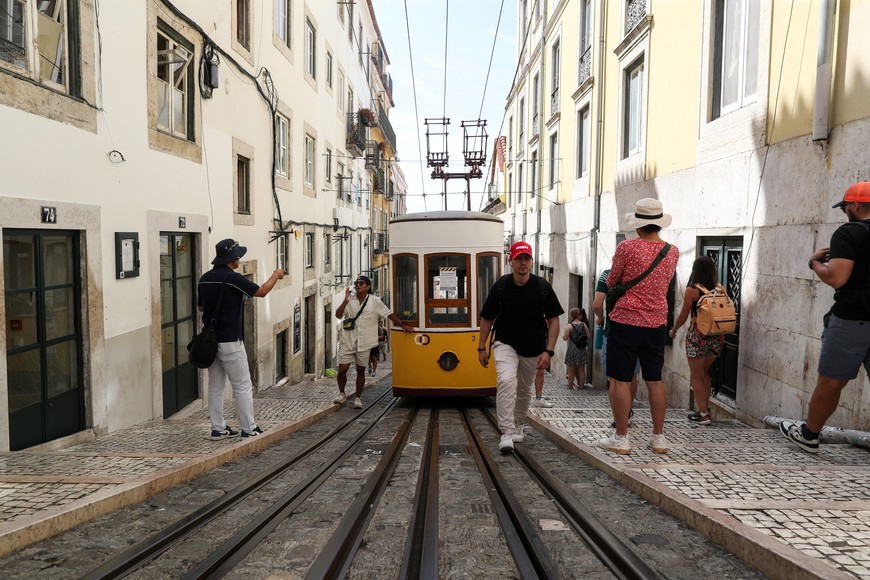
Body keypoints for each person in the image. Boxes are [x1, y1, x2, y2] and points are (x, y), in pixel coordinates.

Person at [781, 182, 870, 453]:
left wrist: (814, 262)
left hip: (852, 321)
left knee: (831, 383)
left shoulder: (848, 233)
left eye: (844, 207)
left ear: (854, 205)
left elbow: (837, 278)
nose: (845, 213)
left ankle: (809, 435)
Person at [599, 198, 679, 455]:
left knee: (622, 380)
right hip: (656, 322)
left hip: (626, 321)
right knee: (655, 380)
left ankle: (621, 439)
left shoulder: (626, 248)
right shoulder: (672, 251)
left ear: (639, 225)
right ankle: (658, 438)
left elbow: (612, 281)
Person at [478, 241, 564, 453]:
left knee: (524, 389)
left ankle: (518, 425)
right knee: (506, 381)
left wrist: (549, 350)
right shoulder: (501, 286)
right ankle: (506, 432)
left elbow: (554, 320)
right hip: (505, 342)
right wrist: (482, 347)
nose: (523, 263)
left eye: (526, 259)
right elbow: (487, 318)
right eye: (519, 259)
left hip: (534, 347)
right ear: (511, 261)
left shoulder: (542, 287)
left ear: (531, 261)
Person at [198, 238, 285, 440]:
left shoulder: (205, 278)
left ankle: (217, 429)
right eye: (238, 255)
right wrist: (275, 275)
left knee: (215, 386)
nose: (239, 258)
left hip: (210, 342)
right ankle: (249, 428)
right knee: (242, 385)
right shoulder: (233, 278)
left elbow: (201, 307)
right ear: (233, 258)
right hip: (230, 340)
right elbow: (262, 292)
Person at [336, 275, 413, 409]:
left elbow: (388, 314)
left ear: (368, 287)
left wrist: (402, 325)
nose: (357, 285)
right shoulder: (350, 301)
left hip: (365, 341)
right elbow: (338, 315)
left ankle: (358, 398)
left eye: (361, 283)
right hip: (348, 340)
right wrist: (345, 300)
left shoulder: (375, 301)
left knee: (361, 370)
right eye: (356, 283)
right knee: (342, 369)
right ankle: (342, 394)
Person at [669, 256, 724, 426]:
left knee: (696, 376)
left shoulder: (692, 290)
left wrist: (673, 329)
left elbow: (684, 315)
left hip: (698, 338)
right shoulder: (720, 288)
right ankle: (705, 409)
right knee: (705, 374)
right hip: (717, 338)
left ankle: (704, 414)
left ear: (695, 270)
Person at [592, 269, 639, 426]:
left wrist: (601, 317)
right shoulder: (640, 272)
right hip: (638, 329)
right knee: (632, 376)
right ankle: (628, 412)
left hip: (613, 330)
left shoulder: (607, 274)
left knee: (614, 377)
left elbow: (597, 304)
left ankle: (618, 418)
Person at [562, 307, 592, 389]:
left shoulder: (569, 326)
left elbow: (565, 338)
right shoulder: (584, 324)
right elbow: (588, 336)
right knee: (581, 369)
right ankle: (581, 386)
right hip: (581, 349)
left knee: (571, 369)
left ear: (571, 315)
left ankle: (570, 386)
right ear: (578, 314)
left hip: (572, 349)